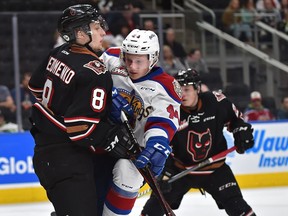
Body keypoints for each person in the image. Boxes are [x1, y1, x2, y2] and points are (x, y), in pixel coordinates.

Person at [28, 4, 133, 216]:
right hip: (69, 161)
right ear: (79, 32)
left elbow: (35, 87)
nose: (104, 32)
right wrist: (111, 136)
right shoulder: (96, 71)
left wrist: (64, 107)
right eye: (97, 27)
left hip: (45, 154)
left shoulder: (58, 53)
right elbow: (80, 130)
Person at [141, 68, 256, 216]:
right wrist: (163, 173)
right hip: (180, 169)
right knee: (153, 208)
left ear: (197, 88)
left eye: (187, 89)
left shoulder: (216, 102)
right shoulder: (170, 110)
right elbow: (162, 143)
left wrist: (242, 132)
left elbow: (236, 120)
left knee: (238, 206)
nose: (182, 93)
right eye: (179, 89)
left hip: (215, 169)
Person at [99, 29, 182, 215]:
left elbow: (162, 121)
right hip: (100, 140)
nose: (132, 66)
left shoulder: (165, 86)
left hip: (132, 153)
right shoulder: (111, 58)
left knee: (127, 172)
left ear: (152, 58)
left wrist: (156, 143)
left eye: (139, 61)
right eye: (128, 59)